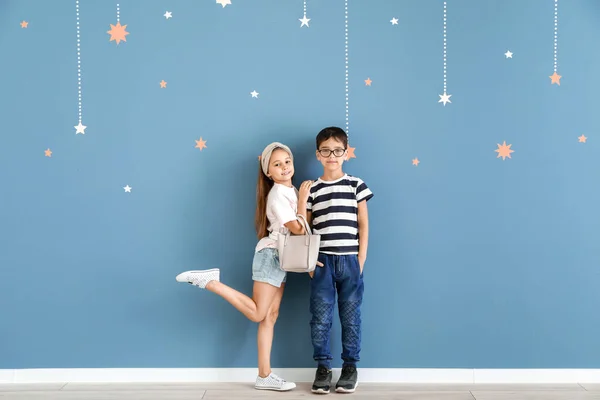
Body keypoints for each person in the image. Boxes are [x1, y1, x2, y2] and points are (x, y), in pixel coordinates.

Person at [175, 142, 313, 392]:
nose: (284, 167)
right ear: (268, 172)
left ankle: (264, 375)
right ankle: (211, 282)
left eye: (287, 162)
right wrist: (303, 200)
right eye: (277, 164)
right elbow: (298, 228)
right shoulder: (279, 194)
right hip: (270, 255)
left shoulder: (289, 190)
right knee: (260, 313)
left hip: (282, 259)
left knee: (270, 317)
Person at [305, 127, 374, 394]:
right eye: (325, 151)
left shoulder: (356, 184)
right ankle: (323, 367)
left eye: (337, 150)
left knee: (351, 316)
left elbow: (364, 224)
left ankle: (349, 367)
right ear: (318, 155)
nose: (331, 155)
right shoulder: (314, 189)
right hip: (322, 263)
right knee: (320, 318)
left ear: (345, 153)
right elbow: (306, 229)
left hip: (350, 262)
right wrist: (311, 263)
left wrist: (361, 258)